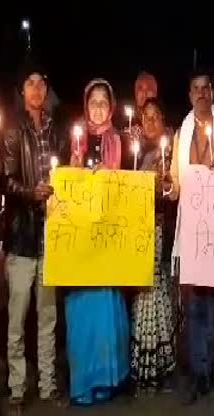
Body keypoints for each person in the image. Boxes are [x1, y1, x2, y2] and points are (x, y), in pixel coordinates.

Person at [0, 62, 63, 414]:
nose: (36, 89)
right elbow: (5, 180)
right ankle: (17, 389)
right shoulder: (10, 130)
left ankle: (48, 386)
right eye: (30, 82)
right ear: (21, 90)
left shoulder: (56, 131)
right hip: (22, 238)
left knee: (47, 317)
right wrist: (29, 192)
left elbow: (66, 172)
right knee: (17, 320)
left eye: (41, 82)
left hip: (51, 238)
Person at [168, 70, 214, 405]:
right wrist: (171, 187)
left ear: (212, 91)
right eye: (195, 89)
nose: (201, 93)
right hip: (192, 226)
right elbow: (176, 181)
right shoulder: (182, 132)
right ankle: (198, 373)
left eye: (206, 88)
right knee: (195, 307)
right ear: (189, 94)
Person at [66, 78, 130, 405]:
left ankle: (107, 378)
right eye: (94, 101)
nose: (99, 107)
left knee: (105, 308)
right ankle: (83, 382)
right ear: (85, 104)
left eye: (105, 101)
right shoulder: (74, 138)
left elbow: (124, 185)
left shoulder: (117, 139)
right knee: (82, 311)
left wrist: (110, 175)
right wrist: (75, 172)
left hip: (106, 237)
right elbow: (62, 181)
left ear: (112, 106)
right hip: (79, 240)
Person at [130, 97, 177, 394]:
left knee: (158, 295)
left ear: (163, 121)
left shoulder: (169, 153)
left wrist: (167, 185)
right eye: (145, 116)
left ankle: (162, 366)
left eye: (155, 116)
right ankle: (142, 368)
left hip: (161, 231)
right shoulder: (133, 152)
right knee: (143, 296)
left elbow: (173, 192)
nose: (150, 121)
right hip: (137, 233)